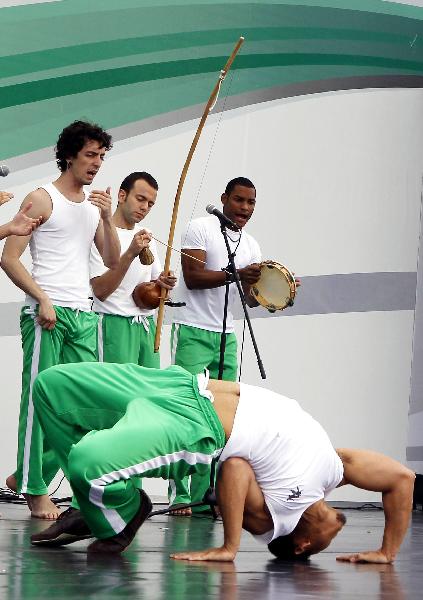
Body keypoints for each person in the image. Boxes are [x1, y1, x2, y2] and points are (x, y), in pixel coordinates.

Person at [29, 362, 414, 564]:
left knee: (87, 464)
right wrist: (387, 552)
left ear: (304, 545)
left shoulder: (277, 517)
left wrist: (229, 546)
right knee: (51, 385)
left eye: (332, 540)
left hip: (194, 424)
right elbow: (401, 478)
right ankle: (90, 505)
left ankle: (118, 515)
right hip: (183, 385)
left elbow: (235, 470)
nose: (339, 528)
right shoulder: (333, 471)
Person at [1, 120, 121, 520]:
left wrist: (106, 218)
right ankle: (36, 491)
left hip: (84, 315)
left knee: (83, 410)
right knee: (39, 404)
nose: (97, 163)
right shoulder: (41, 197)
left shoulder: (93, 206)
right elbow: (9, 257)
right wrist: (41, 298)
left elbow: (111, 260)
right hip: (46, 315)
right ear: (69, 155)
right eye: (90, 155)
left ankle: (28, 475)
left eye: (102, 156)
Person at [169, 176, 263, 514]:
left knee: (223, 418)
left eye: (251, 203)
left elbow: (250, 301)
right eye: (239, 200)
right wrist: (238, 274)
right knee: (187, 411)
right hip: (193, 329)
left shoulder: (251, 244)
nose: (245, 208)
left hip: (227, 334)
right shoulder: (202, 227)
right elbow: (193, 279)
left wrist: (279, 295)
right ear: (224, 198)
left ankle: (209, 494)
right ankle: (181, 495)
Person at [90, 171, 176, 367]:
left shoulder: (146, 235)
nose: (144, 207)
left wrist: (163, 285)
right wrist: (130, 253)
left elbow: (155, 283)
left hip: (146, 325)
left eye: (150, 203)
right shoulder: (101, 232)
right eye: (140, 199)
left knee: (150, 391)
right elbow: (101, 291)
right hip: (113, 323)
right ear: (122, 196)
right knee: (116, 394)